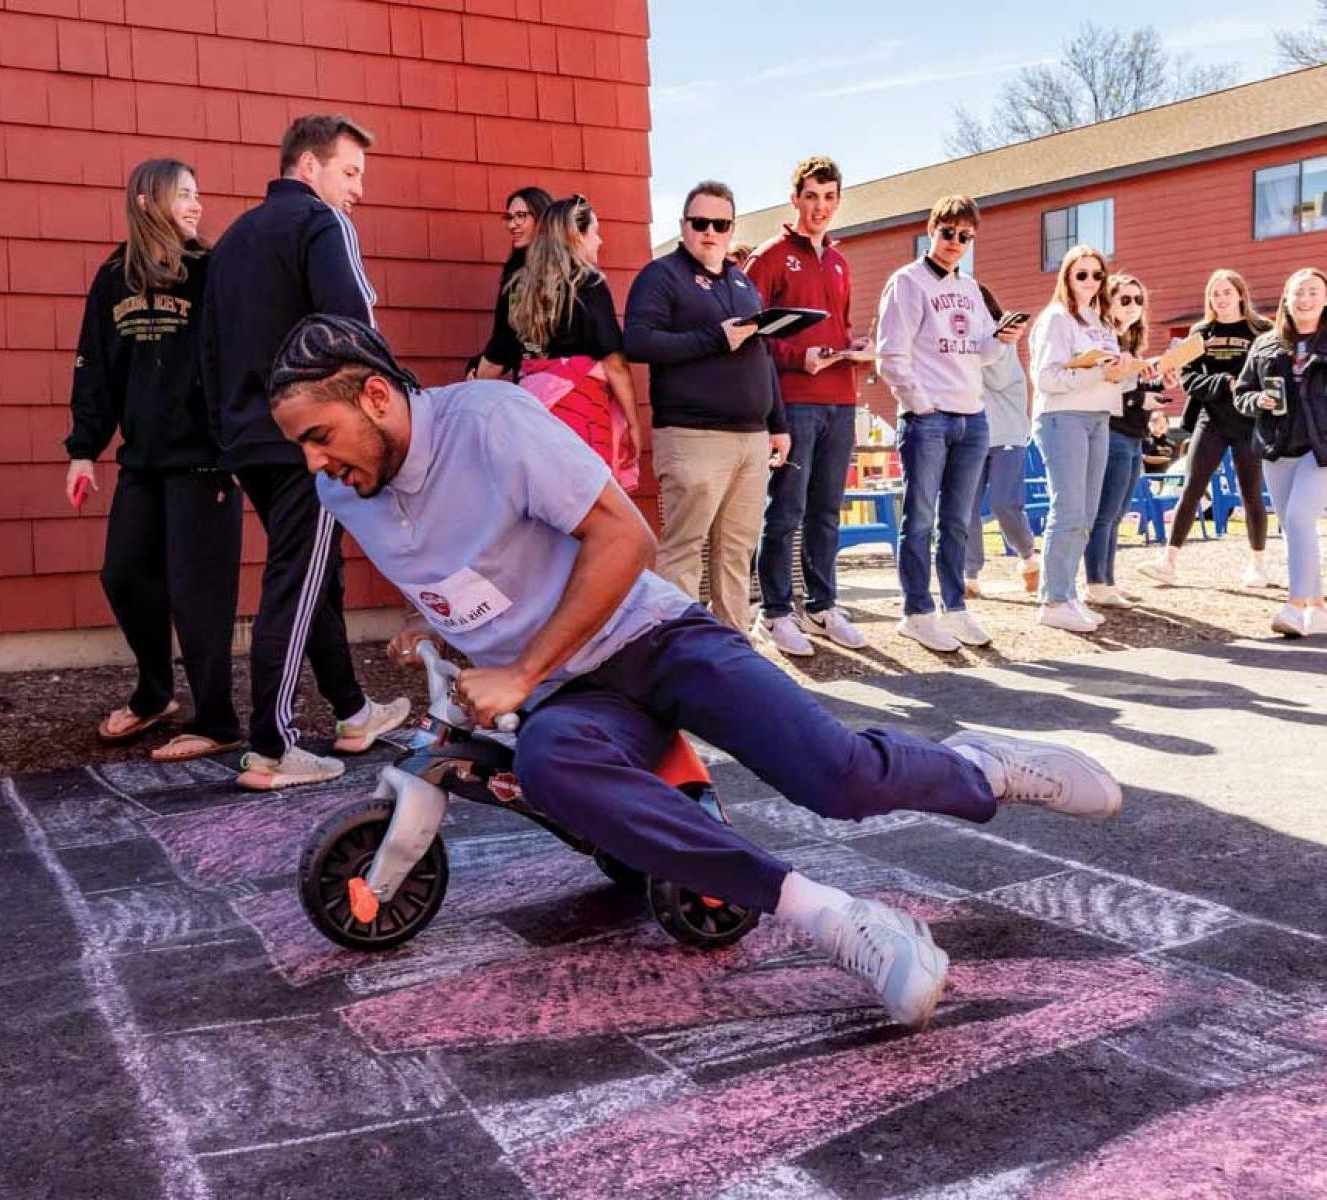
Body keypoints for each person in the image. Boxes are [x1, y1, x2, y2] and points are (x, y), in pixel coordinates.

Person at [266, 314, 1123, 1032]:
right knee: (552, 766)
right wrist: (442, 625)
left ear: (376, 397)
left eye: (319, 437)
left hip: (653, 638)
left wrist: (523, 669)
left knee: (837, 778)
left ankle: (983, 766)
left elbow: (624, 540)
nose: (314, 463)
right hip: (572, 698)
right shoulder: (351, 491)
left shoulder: (489, 421)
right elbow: (472, 569)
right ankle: (838, 922)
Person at [200, 114, 408, 790]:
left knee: (316, 572)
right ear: (308, 167)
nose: (358, 191)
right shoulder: (321, 225)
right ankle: (271, 746)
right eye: (350, 173)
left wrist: (224, 435)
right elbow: (352, 327)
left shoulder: (231, 240)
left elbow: (207, 349)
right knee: (295, 579)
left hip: (244, 436)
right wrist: (391, 409)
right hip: (306, 439)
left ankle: (351, 712)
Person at [65, 158, 243, 763]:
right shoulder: (114, 276)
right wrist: (84, 451)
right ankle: (155, 692)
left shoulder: (209, 271)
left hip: (204, 461)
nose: (196, 205)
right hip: (141, 463)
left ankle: (216, 718)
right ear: (146, 202)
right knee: (123, 575)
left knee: (199, 593)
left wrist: (236, 442)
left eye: (198, 194)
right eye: (183, 195)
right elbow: (95, 366)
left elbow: (236, 363)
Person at [623, 181, 788, 632]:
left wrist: (778, 422)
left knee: (737, 552)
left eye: (721, 224)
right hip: (693, 436)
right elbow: (637, 341)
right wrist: (715, 337)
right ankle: (679, 652)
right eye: (700, 223)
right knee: (683, 550)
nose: (710, 232)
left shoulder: (741, 280)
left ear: (732, 228)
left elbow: (762, 355)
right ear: (684, 226)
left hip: (751, 438)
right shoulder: (662, 275)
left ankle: (733, 649)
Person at [876, 195, 1024, 652]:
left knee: (958, 521)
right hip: (929, 419)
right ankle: (917, 611)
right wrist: (920, 405)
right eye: (948, 233)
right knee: (919, 519)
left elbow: (980, 351)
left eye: (965, 237)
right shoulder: (907, 282)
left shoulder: (970, 287)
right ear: (931, 228)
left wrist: (1001, 339)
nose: (955, 243)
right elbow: (890, 355)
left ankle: (955, 607)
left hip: (972, 416)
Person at [745, 156, 869, 656]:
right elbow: (751, 336)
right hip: (793, 404)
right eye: (812, 196)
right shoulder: (770, 258)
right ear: (794, 198)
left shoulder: (840, 261)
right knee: (786, 510)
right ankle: (773, 612)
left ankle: (821, 606)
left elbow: (834, 328)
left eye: (829, 197)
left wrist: (851, 345)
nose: (820, 207)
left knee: (826, 511)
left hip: (840, 400)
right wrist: (800, 358)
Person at [478, 195, 642, 491]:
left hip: (531, 406)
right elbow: (614, 363)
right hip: (580, 408)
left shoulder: (519, 287)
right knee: (587, 506)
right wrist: (634, 423)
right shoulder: (589, 283)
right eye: (595, 231)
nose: (600, 241)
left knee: (542, 500)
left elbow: (497, 355)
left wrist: (472, 396)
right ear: (575, 236)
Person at [1139, 269, 1274, 590]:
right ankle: (1168, 562)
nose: (1221, 298)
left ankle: (1258, 564)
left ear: (1241, 294)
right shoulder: (1200, 333)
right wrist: (1224, 382)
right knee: (1191, 488)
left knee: (1251, 493)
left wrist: (1250, 390)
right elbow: (1189, 380)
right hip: (1211, 420)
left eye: (1227, 292)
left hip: (1249, 422)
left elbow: (1270, 371)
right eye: (1215, 293)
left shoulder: (1262, 330)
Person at [1028, 245, 1132, 633]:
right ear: (1067, 277)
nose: (1091, 281)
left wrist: (1126, 369)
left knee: (1087, 512)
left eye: (1097, 274)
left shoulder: (1101, 322)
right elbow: (1046, 379)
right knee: (1069, 509)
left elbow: (1109, 373)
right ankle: (1053, 599)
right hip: (1062, 417)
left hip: (1099, 417)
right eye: (1081, 274)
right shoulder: (1055, 319)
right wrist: (1097, 374)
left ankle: (1067, 594)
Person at [1233, 267, 1327, 638]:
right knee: (1293, 527)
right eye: (1297, 292)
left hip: (1321, 448)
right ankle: (1319, 606)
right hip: (1277, 446)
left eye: (1313, 291)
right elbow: (1241, 394)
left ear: (1325, 297)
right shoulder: (1266, 344)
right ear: (1286, 299)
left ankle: (1294, 605)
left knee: (1300, 515)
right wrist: (1260, 399)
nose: (1304, 299)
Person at [1082, 273, 1177, 609]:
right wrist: (1143, 394)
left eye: (1139, 300)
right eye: (1125, 299)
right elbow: (1108, 393)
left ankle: (1107, 580)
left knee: (1118, 512)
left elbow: (1137, 396)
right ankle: (1095, 583)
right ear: (1108, 301)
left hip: (1134, 434)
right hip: (1112, 431)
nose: (1134, 306)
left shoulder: (1131, 345)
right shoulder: (1106, 342)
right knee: (1104, 512)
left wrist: (1160, 384)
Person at [964, 283, 1041, 599]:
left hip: (1007, 432)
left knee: (1004, 503)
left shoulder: (1001, 338)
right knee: (966, 505)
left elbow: (994, 376)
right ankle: (969, 575)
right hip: (973, 432)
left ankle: (1029, 558)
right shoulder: (969, 339)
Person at [468, 186, 552, 379]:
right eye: (510, 218)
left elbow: (503, 346)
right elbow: (508, 343)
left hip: (540, 389)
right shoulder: (517, 275)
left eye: (521, 216)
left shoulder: (523, 281)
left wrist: (476, 377)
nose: (512, 225)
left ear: (541, 218)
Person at [1142, 410, 1182, 475]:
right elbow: (1144, 458)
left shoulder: (1171, 444)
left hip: (1167, 477)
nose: (1162, 425)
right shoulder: (1143, 442)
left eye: (1165, 423)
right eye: (1157, 422)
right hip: (1148, 477)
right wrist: (1166, 459)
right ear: (1149, 424)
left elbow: (1175, 463)